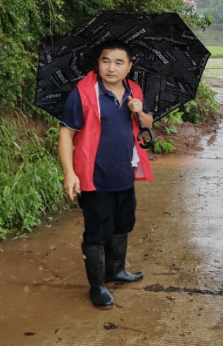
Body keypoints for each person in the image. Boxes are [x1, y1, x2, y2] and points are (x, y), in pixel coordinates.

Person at [58, 39, 155, 309]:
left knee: (123, 223)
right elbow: (66, 133)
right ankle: (97, 286)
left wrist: (141, 112)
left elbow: (148, 123)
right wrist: (69, 173)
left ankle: (116, 270)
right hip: (94, 175)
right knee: (97, 231)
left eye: (118, 62)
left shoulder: (133, 90)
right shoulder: (84, 93)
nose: (111, 68)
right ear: (98, 63)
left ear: (129, 67)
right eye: (105, 61)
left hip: (124, 172)